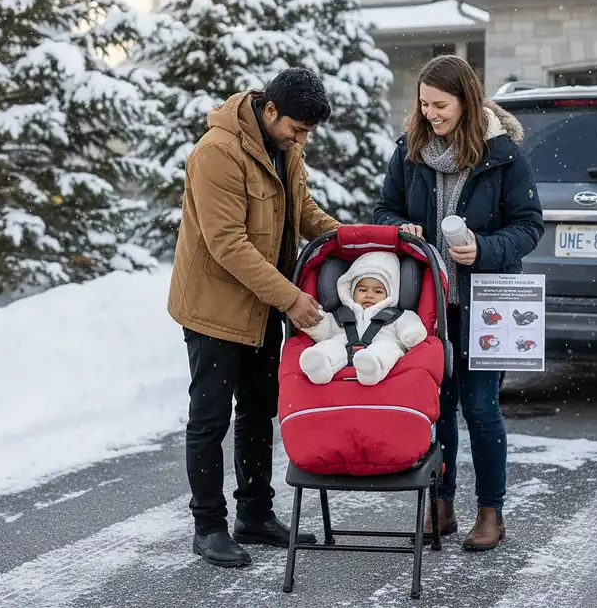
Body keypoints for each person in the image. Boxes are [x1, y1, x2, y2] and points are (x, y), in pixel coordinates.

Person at [167, 68, 341, 568]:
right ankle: (208, 527)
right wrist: (290, 298)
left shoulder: (285, 146)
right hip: (215, 309)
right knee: (210, 418)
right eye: (297, 129)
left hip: (262, 304)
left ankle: (255, 514)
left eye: (307, 133)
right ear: (269, 111)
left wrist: (350, 240)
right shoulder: (216, 153)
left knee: (258, 410)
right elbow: (228, 244)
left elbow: (301, 211)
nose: (302, 139)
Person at [372, 55, 544, 551]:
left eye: (440, 105)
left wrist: (485, 249)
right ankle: (440, 506)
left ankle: (491, 512)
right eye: (424, 104)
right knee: (436, 408)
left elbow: (530, 225)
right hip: (429, 303)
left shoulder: (504, 154)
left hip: (488, 299)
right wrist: (399, 229)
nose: (430, 114)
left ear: (467, 102)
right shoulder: (410, 148)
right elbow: (386, 208)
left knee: (481, 407)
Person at [299, 251, 428, 385]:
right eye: (362, 290)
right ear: (351, 291)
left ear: (390, 294)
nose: (369, 295)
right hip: (342, 347)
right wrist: (313, 321)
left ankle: (372, 368)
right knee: (329, 346)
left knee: (388, 348)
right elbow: (325, 329)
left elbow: (409, 324)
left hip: (382, 349)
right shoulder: (340, 314)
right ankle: (320, 367)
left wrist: (412, 333)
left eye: (378, 291)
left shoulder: (397, 316)